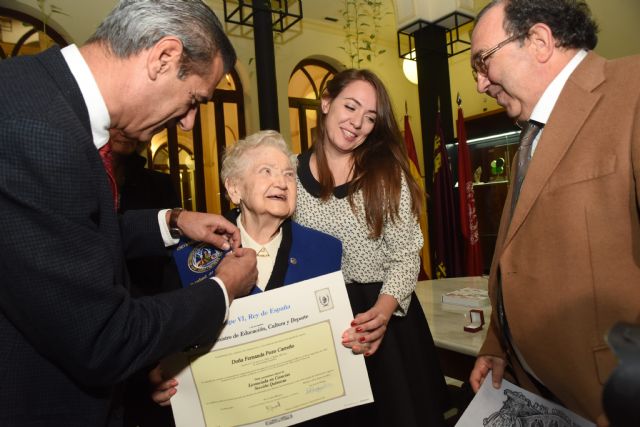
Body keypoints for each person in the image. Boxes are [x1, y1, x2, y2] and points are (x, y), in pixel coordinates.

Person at [0, 1, 258, 426]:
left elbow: (67, 232)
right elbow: (103, 339)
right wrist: (223, 289)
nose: (189, 123)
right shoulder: (38, 134)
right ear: (163, 57)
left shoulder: (41, 94)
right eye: (194, 99)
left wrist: (172, 221)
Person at [468, 1, 640, 425]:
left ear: (540, 41)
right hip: (538, 392)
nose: (479, 84)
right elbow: (517, 255)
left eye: (484, 62)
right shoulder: (529, 140)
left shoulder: (633, 89)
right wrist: (498, 343)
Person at [294, 69, 450, 426]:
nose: (357, 123)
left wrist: (382, 312)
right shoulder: (289, 174)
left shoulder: (386, 174)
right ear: (326, 102)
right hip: (318, 318)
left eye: (370, 118)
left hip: (382, 318)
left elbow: (407, 254)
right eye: (350, 107)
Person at [150, 131, 343, 410]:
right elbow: (163, 343)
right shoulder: (188, 257)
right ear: (234, 189)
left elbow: (333, 346)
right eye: (266, 171)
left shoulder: (325, 252)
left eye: (289, 175)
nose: (282, 182)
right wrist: (158, 378)